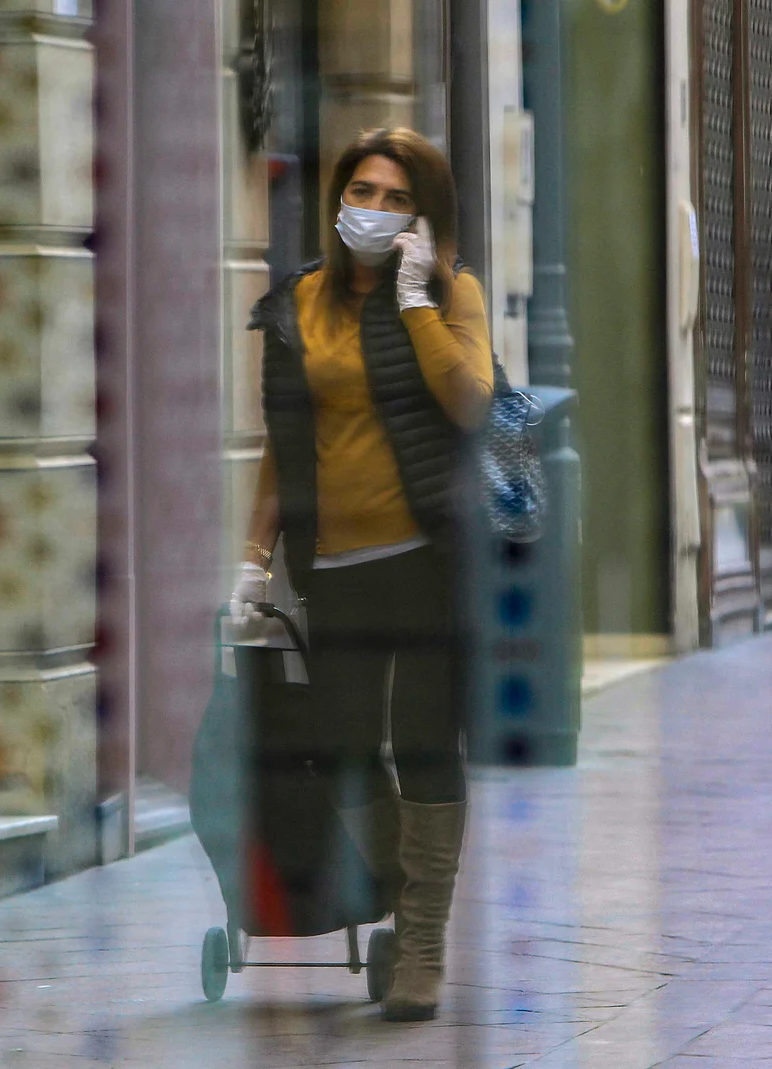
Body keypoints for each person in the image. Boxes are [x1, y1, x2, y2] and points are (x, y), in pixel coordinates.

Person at [233, 126, 492, 1022]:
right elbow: (283, 441)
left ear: (423, 215)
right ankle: (403, 886)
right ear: (336, 197)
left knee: (423, 742)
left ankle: (420, 943)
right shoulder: (298, 302)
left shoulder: (453, 293)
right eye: (362, 192)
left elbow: (470, 402)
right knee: (344, 745)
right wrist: (252, 557)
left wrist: (418, 299)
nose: (373, 211)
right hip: (334, 563)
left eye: (395, 198)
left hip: (429, 557)